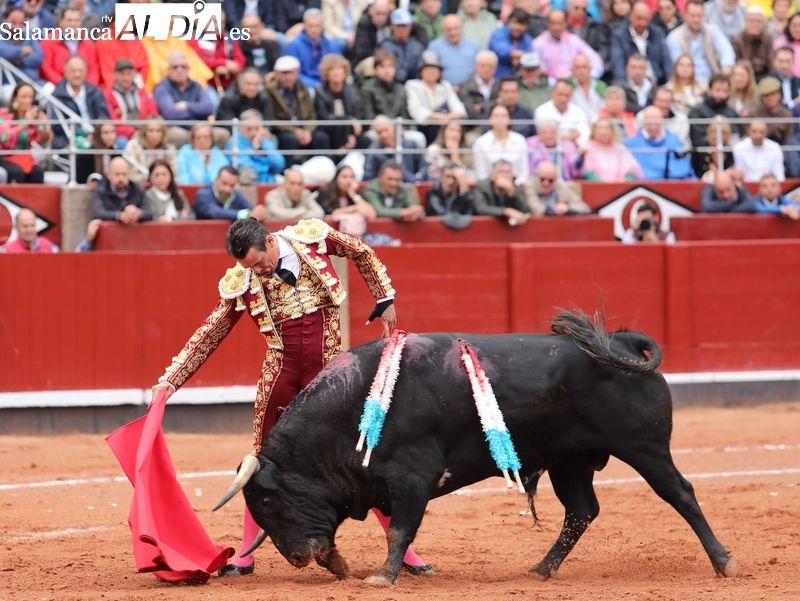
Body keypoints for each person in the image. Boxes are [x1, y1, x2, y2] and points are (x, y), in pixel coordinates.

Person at [150, 216, 432, 577]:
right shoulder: (243, 280)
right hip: (280, 377)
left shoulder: (310, 240)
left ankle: (404, 551)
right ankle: (244, 557)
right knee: (260, 462)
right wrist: (170, 381)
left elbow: (360, 251)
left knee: (365, 458)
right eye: (249, 268)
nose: (258, 271)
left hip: (331, 379)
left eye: (259, 262)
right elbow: (210, 333)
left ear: (270, 241)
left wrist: (384, 297)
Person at [264, 55, 327, 166]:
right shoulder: (270, 91)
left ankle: (319, 168)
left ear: (297, 73)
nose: (287, 77)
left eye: (291, 73)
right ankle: (288, 170)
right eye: (284, 73)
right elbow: (272, 118)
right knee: (289, 139)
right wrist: (294, 131)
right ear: (277, 74)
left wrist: (307, 131)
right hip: (282, 130)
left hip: (303, 128)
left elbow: (311, 115)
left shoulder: (303, 88)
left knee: (321, 137)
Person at [153, 52, 215, 149]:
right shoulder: (162, 88)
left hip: (200, 128)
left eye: (183, 67)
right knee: (178, 135)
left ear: (188, 69)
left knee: (221, 134)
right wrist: (196, 115)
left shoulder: (197, 86)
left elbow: (208, 108)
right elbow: (170, 114)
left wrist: (187, 106)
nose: (179, 70)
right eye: (175, 67)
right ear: (168, 70)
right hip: (176, 128)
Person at [665, 0, 736, 85]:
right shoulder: (674, 37)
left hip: (712, 82)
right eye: (693, 16)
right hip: (687, 83)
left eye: (699, 16)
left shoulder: (712, 31)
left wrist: (725, 72)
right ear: (685, 15)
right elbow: (679, 67)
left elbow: (727, 52)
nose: (696, 19)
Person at [404, 51, 467, 144]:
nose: (432, 72)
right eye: (428, 69)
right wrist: (439, 117)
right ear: (421, 71)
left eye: (435, 69)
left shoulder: (445, 85)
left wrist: (449, 117)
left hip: (444, 125)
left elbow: (458, 108)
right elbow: (415, 110)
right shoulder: (413, 85)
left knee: (454, 127)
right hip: (421, 126)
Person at [313, 54, 370, 157]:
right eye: (332, 69)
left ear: (345, 71)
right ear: (326, 73)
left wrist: (351, 134)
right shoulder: (320, 91)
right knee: (321, 137)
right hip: (329, 130)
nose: (336, 72)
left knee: (366, 140)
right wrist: (348, 121)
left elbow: (357, 114)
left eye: (339, 68)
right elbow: (324, 117)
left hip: (349, 129)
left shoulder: (351, 90)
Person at [609, 1, 673, 86]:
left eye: (645, 19)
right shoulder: (619, 36)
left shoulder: (658, 33)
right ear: (630, 16)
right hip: (629, 84)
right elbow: (618, 63)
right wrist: (623, 84)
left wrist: (670, 83)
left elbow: (667, 61)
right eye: (639, 18)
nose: (642, 23)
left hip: (656, 83)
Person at [625, 106, 694, 180]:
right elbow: (628, 174)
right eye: (649, 123)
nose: (653, 127)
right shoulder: (631, 143)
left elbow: (683, 168)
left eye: (656, 123)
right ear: (643, 122)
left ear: (662, 121)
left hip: (671, 183)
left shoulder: (673, 139)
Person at [0, 82, 50, 184]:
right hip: (4, 157)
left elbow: (42, 141)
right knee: (16, 172)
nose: (28, 101)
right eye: (24, 97)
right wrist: (25, 123)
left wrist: (44, 124)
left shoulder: (33, 117)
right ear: (15, 98)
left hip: (24, 158)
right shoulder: (3, 114)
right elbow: (4, 138)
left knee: (37, 172)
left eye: (31, 97)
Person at [103, 58, 159, 148]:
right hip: (121, 135)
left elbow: (152, 113)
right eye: (122, 74)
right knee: (123, 143)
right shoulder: (108, 95)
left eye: (129, 74)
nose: (126, 78)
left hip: (144, 132)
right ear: (115, 75)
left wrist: (146, 131)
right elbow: (112, 120)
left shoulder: (142, 93)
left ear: (134, 74)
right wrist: (132, 133)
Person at [472, 102, 530, 184]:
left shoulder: (520, 140)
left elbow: (524, 171)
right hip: (490, 187)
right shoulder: (480, 143)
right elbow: (481, 174)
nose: (500, 119)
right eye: (496, 116)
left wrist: (515, 186)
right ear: (489, 119)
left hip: (516, 186)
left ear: (509, 119)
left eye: (503, 116)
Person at [285, 8, 342, 89]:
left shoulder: (331, 44)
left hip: (328, 85)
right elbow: (293, 73)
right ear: (305, 26)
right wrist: (314, 85)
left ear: (322, 26)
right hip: (305, 86)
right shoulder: (294, 45)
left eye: (317, 26)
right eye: (311, 26)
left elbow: (338, 66)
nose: (314, 30)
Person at [315, 164, 378, 236]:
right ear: (336, 179)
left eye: (352, 177)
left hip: (354, 234)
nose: (348, 181)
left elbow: (372, 214)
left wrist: (353, 195)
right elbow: (332, 214)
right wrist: (354, 208)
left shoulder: (356, 193)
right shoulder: (326, 193)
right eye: (344, 177)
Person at [226, 109, 285, 184]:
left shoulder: (265, 142)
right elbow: (247, 169)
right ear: (240, 128)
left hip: (269, 182)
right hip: (247, 184)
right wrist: (267, 167)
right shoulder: (233, 142)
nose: (253, 133)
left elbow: (279, 165)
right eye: (249, 129)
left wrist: (261, 148)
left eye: (257, 129)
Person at [363, 115, 428, 183]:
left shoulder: (410, 145)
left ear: (393, 128)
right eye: (379, 132)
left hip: (411, 185)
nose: (383, 135)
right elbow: (368, 175)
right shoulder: (373, 151)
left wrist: (417, 180)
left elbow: (423, 166)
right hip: (386, 187)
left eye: (385, 130)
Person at [193, 166, 268, 222]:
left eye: (232, 186)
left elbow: (250, 210)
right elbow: (215, 212)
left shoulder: (236, 194)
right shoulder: (203, 194)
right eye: (224, 183)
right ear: (216, 179)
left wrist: (258, 212)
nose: (227, 189)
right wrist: (245, 214)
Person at [90, 156, 153, 223]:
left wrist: (137, 213)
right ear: (108, 175)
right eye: (117, 174)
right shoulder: (100, 190)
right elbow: (98, 213)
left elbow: (149, 212)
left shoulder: (138, 189)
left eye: (124, 174)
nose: (121, 178)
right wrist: (119, 216)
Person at [472, 158, 531, 226]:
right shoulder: (481, 186)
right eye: (501, 171)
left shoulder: (517, 188)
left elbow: (524, 211)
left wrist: (512, 194)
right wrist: (505, 211)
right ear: (492, 175)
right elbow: (480, 208)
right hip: (484, 226)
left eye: (508, 172)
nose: (505, 175)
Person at [362, 160, 426, 222]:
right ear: (380, 177)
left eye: (397, 180)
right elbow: (379, 211)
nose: (393, 183)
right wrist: (404, 212)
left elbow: (414, 207)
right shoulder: (371, 190)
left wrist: (416, 213)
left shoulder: (404, 188)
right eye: (390, 179)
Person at [123, 117, 179, 184]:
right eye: (151, 130)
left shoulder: (169, 149)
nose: (154, 134)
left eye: (158, 131)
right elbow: (130, 175)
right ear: (144, 132)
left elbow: (174, 174)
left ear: (163, 133)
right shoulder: (133, 146)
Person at [524, 160, 590, 216]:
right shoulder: (529, 187)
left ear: (555, 180)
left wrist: (567, 208)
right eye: (542, 179)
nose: (546, 183)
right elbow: (537, 209)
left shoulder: (561, 187)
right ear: (536, 177)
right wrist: (553, 210)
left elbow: (584, 208)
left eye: (550, 180)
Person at [379, 8, 427, 84]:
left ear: (410, 27)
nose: (401, 29)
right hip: (391, 85)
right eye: (398, 26)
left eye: (404, 26)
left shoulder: (417, 47)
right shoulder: (385, 46)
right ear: (392, 27)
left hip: (414, 86)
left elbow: (420, 70)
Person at [732, 8, 774, 81]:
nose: (755, 24)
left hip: (765, 76)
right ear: (746, 22)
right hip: (745, 77)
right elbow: (737, 63)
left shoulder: (768, 39)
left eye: (758, 21)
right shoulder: (738, 40)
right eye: (751, 21)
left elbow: (771, 61)